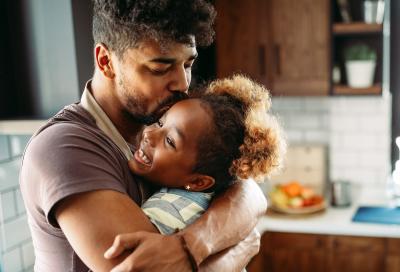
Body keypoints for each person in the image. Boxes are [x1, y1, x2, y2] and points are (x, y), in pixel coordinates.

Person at [20, 1, 268, 271]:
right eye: (160, 68)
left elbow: (245, 188)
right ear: (106, 62)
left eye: (187, 64)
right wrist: (240, 247)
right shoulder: (64, 147)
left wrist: (194, 244)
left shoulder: (160, 123)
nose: (183, 84)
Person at [129, 75, 285, 236]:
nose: (149, 134)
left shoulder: (166, 212)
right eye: (160, 122)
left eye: (169, 141)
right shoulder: (204, 198)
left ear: (198, 182)